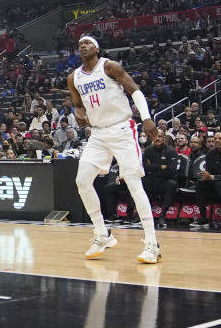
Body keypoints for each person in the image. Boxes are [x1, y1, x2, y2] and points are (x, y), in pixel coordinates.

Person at [67, 36, 161, 264]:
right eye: (80, 44)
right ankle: (102, 234)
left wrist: (147, 118)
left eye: (88, 43)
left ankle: (152, 244)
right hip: (98, 134)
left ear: (97, 48)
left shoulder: (109, 66)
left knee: (133, 183)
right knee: (82, 181)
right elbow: (78, 105)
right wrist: (79, 114)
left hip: (122, 129)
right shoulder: (74, 77)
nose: (83, 46)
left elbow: (135, 90)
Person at [140, 131, 178, 229]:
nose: (157, 138)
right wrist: (161, 167)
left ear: (164, 138)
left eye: (160, 136)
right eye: (155, 137)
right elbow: (144, 167)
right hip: (151, 179)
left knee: (172, 184)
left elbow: (171, 171)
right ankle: (141, 216)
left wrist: (152, 169)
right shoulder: (148, 150)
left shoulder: (171, 151)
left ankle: (162, 216)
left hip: (166, 180)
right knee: (139, 183)